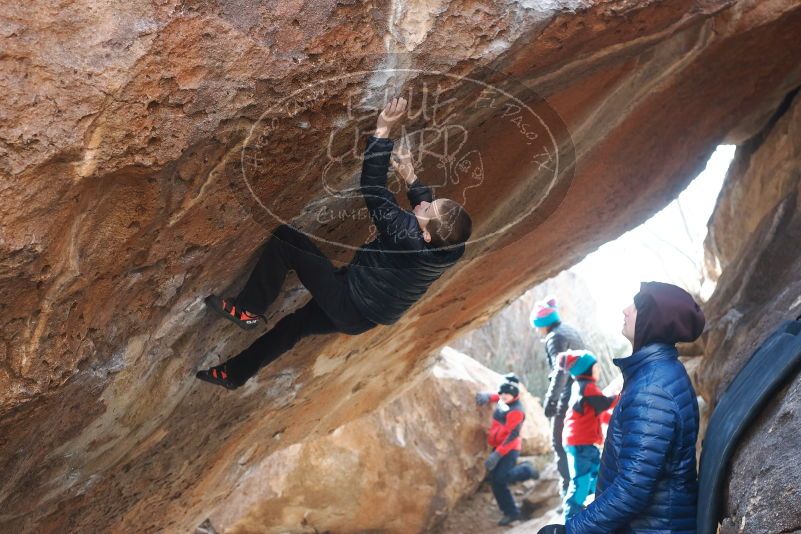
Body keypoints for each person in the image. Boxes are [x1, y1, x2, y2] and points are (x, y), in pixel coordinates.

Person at [196, 97, 472, 389]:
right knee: (293, 327)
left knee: (287, 242)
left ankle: (249, 309)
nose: (424, 205)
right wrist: (411, 178)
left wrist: (382, 130)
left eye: (427, 211)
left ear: (425, 236)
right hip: (363, 315)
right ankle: (235, 374)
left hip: (349, 301)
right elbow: (434, 219)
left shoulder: (405, 236)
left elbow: (373, 187)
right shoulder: (451, 248)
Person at [538, 281, 705, 534]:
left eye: (637, 306)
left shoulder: (652, 389)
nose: (626, 310)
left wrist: (571, 530)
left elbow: (633, 488)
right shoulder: (657, 374)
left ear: (654, 321)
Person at [531, 297, 587, 497]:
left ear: (542, 324)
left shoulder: (554, 337)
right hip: (583, 391)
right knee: (577, 443)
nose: (537, 331)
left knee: (559, 442)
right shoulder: (569, 330)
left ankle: (569, 493)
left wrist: (552, 400)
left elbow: (561, 370)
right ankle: (582, 489)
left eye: (537, 326)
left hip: (568, 394)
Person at [558, 351, 618, 521]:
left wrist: (612, 419)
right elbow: (603, 403)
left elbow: (595, 413)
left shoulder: (580, 387)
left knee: (597, 473)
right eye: (596, 367)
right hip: (580, 442)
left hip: (582, 442)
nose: (598, 370)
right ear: (586, 370)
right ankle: (569, 519)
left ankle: (581, 506)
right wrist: (621, 397)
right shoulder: (587, 387)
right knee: (580, 481)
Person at [476, 379, 540, 526]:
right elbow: (500, 396)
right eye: (502, 393)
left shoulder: (516, 411)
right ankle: (510, 512)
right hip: (499, 446)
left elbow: (512, 436)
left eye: (507, 394)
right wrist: (488, 397)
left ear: (514, 395)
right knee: (496, 481)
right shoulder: (506, 400)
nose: (503, 396)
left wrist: (497, 454)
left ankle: (526, 470)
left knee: (500, 478)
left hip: (509, 449)